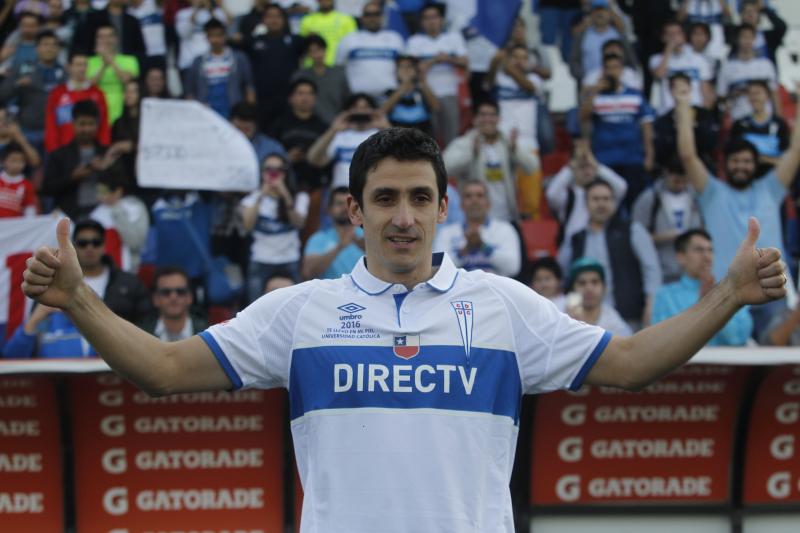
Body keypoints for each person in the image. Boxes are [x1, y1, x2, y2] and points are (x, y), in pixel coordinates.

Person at [20, 126, 788, 532]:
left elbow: (628, 361)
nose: (404, 216)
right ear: (355, 210)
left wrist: (726, 295)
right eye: (385, 198)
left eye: (421, 197)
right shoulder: (302, 310)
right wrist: (80, 301)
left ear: (444, 205)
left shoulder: (500, 304)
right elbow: (162, 368)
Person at [676, 79, 800, 335]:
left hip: (772, 295)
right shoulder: (712, 193)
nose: (741, 166)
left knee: (773, 370)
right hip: (725, 296)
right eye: (735, 161)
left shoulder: (770, 188)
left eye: (747, 161)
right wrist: (683, 105)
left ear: (755, 166)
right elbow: (688, 155)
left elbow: (796, 150)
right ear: (725, 164)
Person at [558, 178, 662, 329]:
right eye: (595, 199)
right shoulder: (576, 237)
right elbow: (564, 271)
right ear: (586, 203)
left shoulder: (633, 230)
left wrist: (651, 304)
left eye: (606, 199)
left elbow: (651, 269)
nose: (601, 204)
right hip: (585, 319)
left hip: (627, 315)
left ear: (614, 203)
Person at [443, 100, 539, 224]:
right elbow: (444, 169)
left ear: (499, 119)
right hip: (475, 221)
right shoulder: (464, 143)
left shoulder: (508, 143)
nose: (487, 119)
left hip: (508, 219)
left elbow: (532, 167)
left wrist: (516, 151)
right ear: (475, 119)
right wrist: (470, 153)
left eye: (492, 115)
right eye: (483, 115)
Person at [653, 227, 752, 345]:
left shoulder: (731, 293)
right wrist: (703, 306)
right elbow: (662, 343)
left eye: (710, 250)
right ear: (681, 257)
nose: (707, 257)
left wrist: (715, 303)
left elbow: (738, 339)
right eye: (699, 250)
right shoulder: (665, 296)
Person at [580, 52, 655, 208]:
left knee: (634, 201)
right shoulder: (596, 96)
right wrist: (594, 92)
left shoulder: (635, 95)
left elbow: (646, 126)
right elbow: (583, 117)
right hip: (604, 158)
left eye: (616, 67)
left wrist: (649, 155)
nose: (612, 71)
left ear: (622, 70)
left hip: (632, 157)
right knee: (608, 201)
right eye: (609, 68)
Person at [240, 153, 309, 302]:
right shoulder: (251, 199)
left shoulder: (300, 197)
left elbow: (299, 223)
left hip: (289, 260)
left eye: (279, 170)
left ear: (286, 173)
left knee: (294, 306)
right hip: (261, 260)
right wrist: (261, 196)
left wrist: (285, 195)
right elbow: (247, 225)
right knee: (255, 308)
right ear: (262, 173)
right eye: (268, 169)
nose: (273, 174)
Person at [405, 2, 468, 146]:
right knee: (427, 137)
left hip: (449, 93)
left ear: (441, 19)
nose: (431, 21)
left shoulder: (453, 38)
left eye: (434, 17)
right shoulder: (414, 41)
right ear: (422, 22)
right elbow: (409, 68)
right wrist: (434, 60)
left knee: (451, 137)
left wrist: (448, 59)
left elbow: (465, 62)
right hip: (424, 94)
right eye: (427, 18)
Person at [632, 157, 703, 283]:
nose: (680, 183)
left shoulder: (697, 198)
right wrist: (662, 237)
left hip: (693, 274)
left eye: (684, 179)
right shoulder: (649, 199)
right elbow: (635, 237)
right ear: (666, 173)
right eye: (676, 180)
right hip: (662, 273)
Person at [433, 179, 520, 277]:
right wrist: (465, 251)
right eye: (468, 196)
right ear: (461, 204)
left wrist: (483, 246)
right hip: (459, 291)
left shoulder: (505, 230)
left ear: (488, 203)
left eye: (480, 195)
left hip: (494, 290)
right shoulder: (447, 233)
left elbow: (513, 267)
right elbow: (437, 269)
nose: (474, 200)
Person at [546, 142, 627, 245]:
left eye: (589, 166)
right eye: (582, 167)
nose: (587, 171)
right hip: (574, 251)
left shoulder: (604, 194)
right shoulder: (569, 197)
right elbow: (551, 195)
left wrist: (596, 165)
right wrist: (570, 167)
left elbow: (622, 187)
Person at [42, 100, 109, 218]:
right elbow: (47, 189)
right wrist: (72, 177)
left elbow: (121, 184)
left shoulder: (106, 153)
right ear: (73, 124)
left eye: (91, 124)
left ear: (97, 124)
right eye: (82, 124)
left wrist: (105, 170)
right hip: (70, 216)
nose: (87, 129)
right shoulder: (59, 155)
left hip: (103, 215)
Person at [0, 30, 65, 152]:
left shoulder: (64, 73)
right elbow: (2, 94)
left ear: (58, 50)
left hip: (55, 131)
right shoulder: (23, 69)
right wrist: (17, 84)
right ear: (37, 48)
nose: (49, 49)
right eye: (45, 45)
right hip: (26, 131)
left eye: (53, 45)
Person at [307, 93, 389, 189]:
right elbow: (314, 160)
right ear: (348, 111)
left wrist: (386, 127)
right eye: (355, 107)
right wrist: (333, 129)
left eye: (365, 107)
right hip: (342, 194)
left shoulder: (381, 135)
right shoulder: (338, 136)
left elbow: (403, 155)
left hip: (372, 192)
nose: (360, 111)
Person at [246, 4, 305, 130]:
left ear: (284, 20)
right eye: (269, 16)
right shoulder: (253, 42)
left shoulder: (296, 41)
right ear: (263, 20)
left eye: (278, 16)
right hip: (262, 101)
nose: (274, 20)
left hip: (288, 101)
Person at [184, 18, 255, 118]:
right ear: (207, 37)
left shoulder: (239, 58)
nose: (216, 40)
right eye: (212, 36)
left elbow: (249, 86)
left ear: (225, 36)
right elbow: (189, 91)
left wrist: (249, 113)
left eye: (219, 35)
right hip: (206, 113)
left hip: (234, 111)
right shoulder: (198, 62)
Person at [335, 1, 404, 102]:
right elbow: (338, 69)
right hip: (358, 101)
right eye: (368, 15)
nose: (372, 18)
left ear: (382, 16)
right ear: (362, 17)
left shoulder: (395, 39)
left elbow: (404, 68)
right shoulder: (349, 39)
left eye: (376, 14)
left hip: (390, 100)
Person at [267, 79, 328, 192]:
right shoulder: (279, 124)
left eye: (309, 93)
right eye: (300, 93)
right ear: (290, 98)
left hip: (315, 185)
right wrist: (286, 158)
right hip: (283, 183)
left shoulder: (323, 127)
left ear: (315, 98)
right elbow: (269, 153)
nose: (305, 98)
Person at [44, 52, 110, 153]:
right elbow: (51, 125)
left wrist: (103, 149)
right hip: (63, 152)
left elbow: (104, 125)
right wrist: (53, 150)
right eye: (78, 65)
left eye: (84, 65)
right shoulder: (57, 93)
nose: (82, 69)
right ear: (69, 67)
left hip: (92, 152)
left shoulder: (98, 94)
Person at [653, 72, 719, 170]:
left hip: (702, 167)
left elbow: (711, 143)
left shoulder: (704, 115)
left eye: (684, 89)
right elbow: (661, 151)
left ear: (690, 88)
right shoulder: (663, 120)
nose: (681, 92)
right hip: (673, 169)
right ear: (671, 91)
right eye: (677, 89)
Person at [649, 18, 714, 116]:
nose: (674, 37)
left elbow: (706, 90)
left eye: (677, 33)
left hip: (694, 111)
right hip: (667, 112)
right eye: (670, 34)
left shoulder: (699, 59)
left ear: (684, 36)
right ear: (663, 37)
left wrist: (705, 113)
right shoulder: (656, 59)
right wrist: (668, 50)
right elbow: (659, 75)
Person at [89, 169, 149, 273]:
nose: (99, 196)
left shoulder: (135, 208)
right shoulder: (95, 214)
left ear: (118, 191)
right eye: (98, 191)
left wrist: (118, 213)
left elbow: (135, 242)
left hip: (128, 271)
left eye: (103, 191)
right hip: (102, 272)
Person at [717, 23, 779, 121]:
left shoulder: (766, 64)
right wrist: (734, 94)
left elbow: (774, 94)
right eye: (744, 37)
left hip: (765, 118)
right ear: (737, 39)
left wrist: (779, 118)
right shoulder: (727, 67)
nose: (747, 41)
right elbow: (721, 96)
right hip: (738, 117)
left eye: (750, 37)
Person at [729, 80, 789, 179]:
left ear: (767, 96)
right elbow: (732, 156)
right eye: (750, 94)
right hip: (746, 180)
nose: (754, 97)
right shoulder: (739, 125)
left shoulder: (779, 124)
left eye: (757, 93)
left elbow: (787, 159)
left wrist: (764, 159)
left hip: (773, 179)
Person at [301, 186, 364, 280]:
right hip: (330, 293)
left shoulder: (367, 235)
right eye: (339, 203)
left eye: (349, 204)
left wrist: (362, 245)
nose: (345, 208)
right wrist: (339, 247)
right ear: (329, 210)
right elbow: (307, 272)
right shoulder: (318, 239)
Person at [291, 34, 351, 125]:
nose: (317, 54)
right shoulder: (300, 76)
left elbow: (347, 100)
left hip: (337, 124)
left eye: (319, 49)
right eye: (312, 51)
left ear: (325, 50)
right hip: (308, 125)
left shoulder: (339, 73)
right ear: (307, 55)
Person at [565, 257, 632, 337]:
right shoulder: (561, 314)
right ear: (573, 289)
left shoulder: (612, 319)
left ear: (604, 288)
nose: (589, 288)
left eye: (595, 282)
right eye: (582, 283)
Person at [87, 24, 139, 123]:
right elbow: (89, 85)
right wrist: (103, 65)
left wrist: (111, 61)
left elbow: (126, 80)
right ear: (96, 40)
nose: (105, 40)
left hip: (122, 112)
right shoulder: (88, 62)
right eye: (101, 37)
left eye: (109, 36)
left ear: (116, 39)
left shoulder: (130, 60)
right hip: (96, 112)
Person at [569, 0, 631, 84]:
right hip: (589, 85)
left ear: (609, 13)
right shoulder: (583, 36)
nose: (600, 14)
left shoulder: (618, 35)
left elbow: (630, 60)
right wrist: (585, 78)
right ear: (591, 14)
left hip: (617, 85)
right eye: (596, 11)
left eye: (603, 11)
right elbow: (574, 61)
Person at [140, 267, 208, 342]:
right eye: (166, 292)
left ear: (190, 297)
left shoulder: (208, 336)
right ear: (155, 299)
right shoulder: (141, 335)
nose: (173, 297)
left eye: (180, 291)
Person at [381, 55, 438, 136]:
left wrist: (422, 80)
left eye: (409, 66)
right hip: (396, 138)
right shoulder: (389, 93)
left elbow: (435, 107)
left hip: (422, 137)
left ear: (416, 71)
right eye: (401, 67)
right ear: (396, 72)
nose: (405, 70)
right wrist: (404, 86)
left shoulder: (422, 91)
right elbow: (382, 112)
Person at [74, 0, 146, 60]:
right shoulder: (93, 18)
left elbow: (140, 49)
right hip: (97, 65)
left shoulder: (132, 21)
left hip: (126, 67)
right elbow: (84, 44)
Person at [726, 0, 786, 66]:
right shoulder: (734, 35)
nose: (750, 14)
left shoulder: (768, 37)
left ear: (759, 15)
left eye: (754, 11)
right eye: (747, 11)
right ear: (741, 15)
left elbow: (782, 27)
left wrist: (764, 9)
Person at [298, 0, 356, 66]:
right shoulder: (306, 20)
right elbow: (303, 48)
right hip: (313, 67)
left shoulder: (347, 20)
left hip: (338, 65)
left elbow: (351, 45)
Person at [0, 142, 38, 217]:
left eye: (21, 161)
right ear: (3, 161)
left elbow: (29, 209)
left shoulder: (27, 185)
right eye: (13, 160)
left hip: (15, 227)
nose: (17, 165)